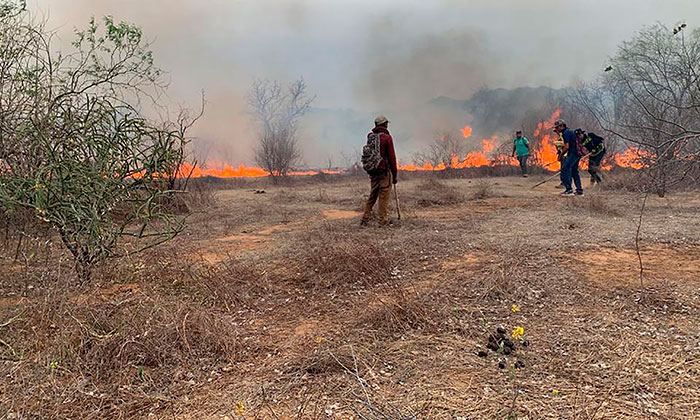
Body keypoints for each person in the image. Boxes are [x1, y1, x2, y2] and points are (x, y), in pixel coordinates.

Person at [361, 116, 398, 226]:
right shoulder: (387, 137)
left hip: (372, 171)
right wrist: (394, 175)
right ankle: (382, 220)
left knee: (373, 195)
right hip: (383, 172)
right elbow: (392, 158)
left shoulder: (370, 136)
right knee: (383, 195)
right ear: (385, 124)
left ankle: (365, 218)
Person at [553, 119, 583, 197]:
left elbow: (566, 147)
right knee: (574, 171)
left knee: (565, 169)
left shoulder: (566, 133)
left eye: (557, 128)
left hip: (573, 153)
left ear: (562, 126)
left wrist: (560, 155)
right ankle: (579, 191)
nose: (556, 129)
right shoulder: (569, 131)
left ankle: (569, 190)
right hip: (577, 153)